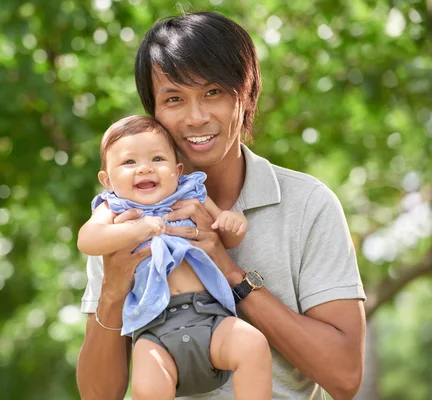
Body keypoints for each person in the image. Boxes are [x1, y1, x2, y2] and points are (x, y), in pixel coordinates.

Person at [77, 11, 367, 400]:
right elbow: (98, 395)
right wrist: (113, 290)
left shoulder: (308, 204)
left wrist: (230, 272)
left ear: (245, 96)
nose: (196, 118)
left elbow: (345, 378)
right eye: (174, 98)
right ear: (154, 112)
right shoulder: (123, 217)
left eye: (213, 92)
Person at [77, 115, 272, 399]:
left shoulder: (190, 194)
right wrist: (135, 230)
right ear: (107, 179)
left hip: (209, 317)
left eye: (157, 159)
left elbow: (227, 236)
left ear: (177, 170)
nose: (144, 169)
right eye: (129, 162)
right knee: (147, 388)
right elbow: (87, 240)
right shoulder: (114, 209)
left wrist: (233, 222)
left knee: (252, 345)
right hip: (154, 330)